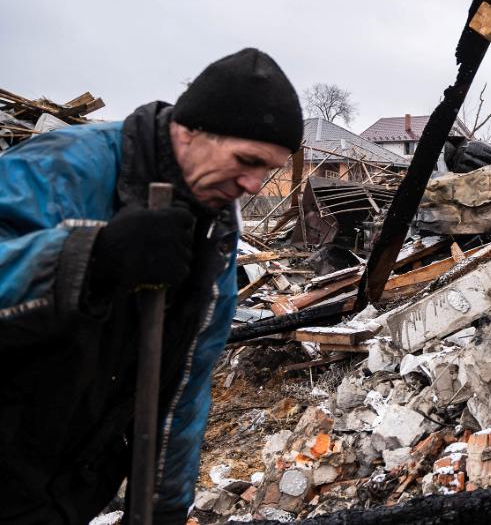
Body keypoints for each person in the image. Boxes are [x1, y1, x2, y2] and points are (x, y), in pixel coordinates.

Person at [0, 48, 302, 524]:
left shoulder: (216, 233)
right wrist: (90, 259)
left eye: (269, 170)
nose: (254, 185)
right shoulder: (62, 169)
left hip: (61, 492)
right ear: (192, 131)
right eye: (247, 161)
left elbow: (186, 382)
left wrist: (167, 507)